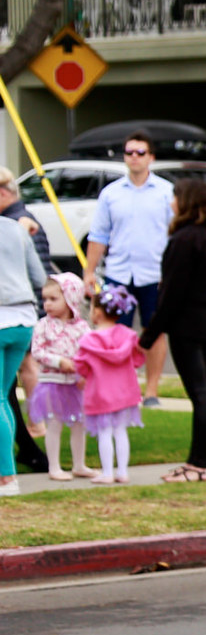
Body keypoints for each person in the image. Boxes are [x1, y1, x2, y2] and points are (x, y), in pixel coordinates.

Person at [138, 175, 206, 482]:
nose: (171, 202)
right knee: (202, 393)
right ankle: (199, 461)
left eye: (175, 197)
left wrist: (149, 335)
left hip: (186, 326)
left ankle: (200, 464)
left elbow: (171, 293)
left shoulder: (184, 240)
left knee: (199, 394)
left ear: (186, 202)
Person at [85, 130, 174, 406]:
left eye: (140, 153)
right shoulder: (111, 194)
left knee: (154, 330)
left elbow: (175, 234)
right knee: (114, 333)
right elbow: (98, 235)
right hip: (119, 274)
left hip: (154, 275)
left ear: (151, 158)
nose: (134, 158)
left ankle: (152, 391)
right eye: (129, 152)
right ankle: (121, 388)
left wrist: (172, 274)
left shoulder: (166, 192)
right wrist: (89, 272)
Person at [0, 192, 53, 497]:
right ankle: (7, 471)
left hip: (2, 318)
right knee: (3, 397)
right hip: (23, 319)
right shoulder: (17, 230)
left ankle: (7, 477)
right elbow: (39, 277)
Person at [76, 284, 143, 485]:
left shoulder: (90, 339)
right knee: (120, 431)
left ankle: (107, 472)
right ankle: (122, 472)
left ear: (97, 312)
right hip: (125, 393)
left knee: (104, 433)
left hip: (100, 393)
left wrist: (83, 376)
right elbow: (138, 359)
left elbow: (81, 365)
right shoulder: (127, 335)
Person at [30, 275, 94, 479]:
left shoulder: (82, 327)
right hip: (52, 383)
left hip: (76, 384)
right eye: (45, 299)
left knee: (79, 424)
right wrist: (59, 362)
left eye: (53, 299)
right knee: (54, 424)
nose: (47, 304)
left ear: (70, 298)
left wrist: (85, 372)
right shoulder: (43, 325)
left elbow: (88, 352)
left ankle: (79, 465)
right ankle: (54, 467)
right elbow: (37, 352)